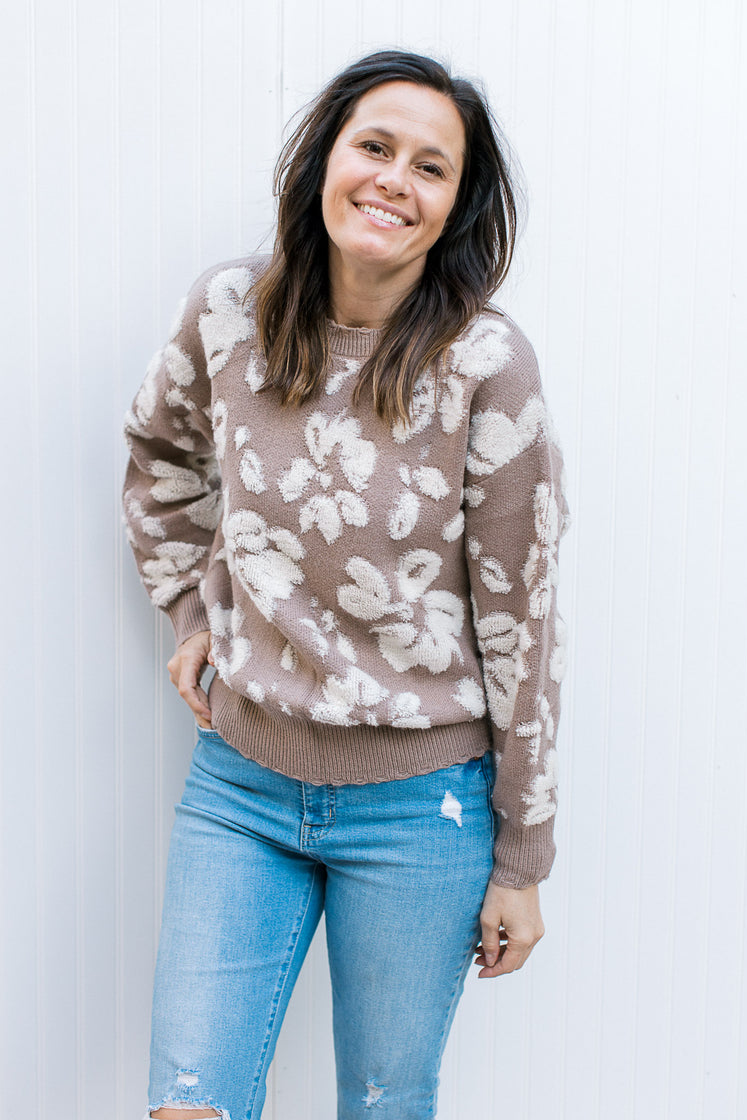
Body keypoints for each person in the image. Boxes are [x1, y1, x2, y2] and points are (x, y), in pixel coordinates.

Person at [123, 48, 569, 1120]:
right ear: (323, 157)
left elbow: (522, 615)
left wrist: (522, 855)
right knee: (189, 1101)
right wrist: (191, 607)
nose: (392, 181)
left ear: (453, 208)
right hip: (240, 784)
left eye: (430, 168)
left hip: (424, 807)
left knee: (382, 1104)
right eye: (374, 146)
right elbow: (161, 455)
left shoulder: (484, 366)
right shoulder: (229, 310)